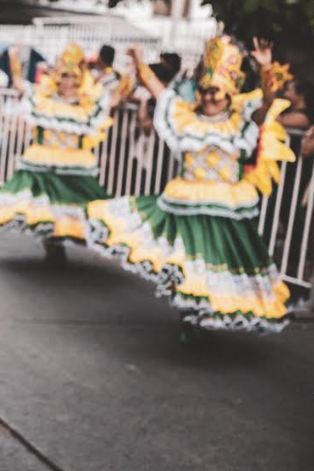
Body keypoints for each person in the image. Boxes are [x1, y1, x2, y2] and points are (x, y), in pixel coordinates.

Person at [86, 37, 295, 341]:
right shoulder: (185, 117)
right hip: (186, 206)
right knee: (187, 265)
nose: (210, 98)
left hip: (225, 209)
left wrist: (265, 70)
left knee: (215, 268)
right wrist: (139, 60)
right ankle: (190, 319)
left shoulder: (240, 122)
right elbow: (159, 90)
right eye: (206, 91)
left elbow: (266, 104)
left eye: (217, 93)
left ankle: (205, 316)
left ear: (229, 94)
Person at [0, 43, 111, 263]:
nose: (68, 82)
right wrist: (14, 60)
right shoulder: (44, 99)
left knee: (68, 206)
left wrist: (135, 70)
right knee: (45, 206)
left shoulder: (87, 105)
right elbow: (20, 85)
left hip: (73, 164)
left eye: (72, 77)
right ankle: (51, 243)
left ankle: (59, 241)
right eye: (64, 76)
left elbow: (112, 101)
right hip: (43, 160)